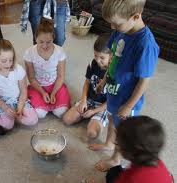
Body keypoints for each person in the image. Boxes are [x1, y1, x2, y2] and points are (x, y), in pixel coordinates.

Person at [92, 0, 160, 172]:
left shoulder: (145, 44)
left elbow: (144, 81)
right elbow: (113, 57)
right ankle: (108, 144)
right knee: (110, 119)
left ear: (135, 16)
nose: (113, 27)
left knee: (122, 132)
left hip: (127, 100)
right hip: (114, 91)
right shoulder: (121, 31)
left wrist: (129, 106)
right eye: (111, 23)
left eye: (116, 23)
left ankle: (116, 159)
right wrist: (104, 80)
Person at [86, 116, 174, 183]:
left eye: (118, 143)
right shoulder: (158, 162)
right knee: (115, 171)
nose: (116, 142)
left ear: (130, 153)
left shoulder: (132, 177)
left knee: (111, 175)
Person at [63, 34, 110, 140]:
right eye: (95, 56)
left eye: (102, 57)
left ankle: (95, 119)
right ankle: (88, 116)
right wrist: (83, 101)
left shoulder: (116, 74)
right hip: (89, 99)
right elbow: (87, 83)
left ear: (111, 57)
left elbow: (112, 101)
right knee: (67, 120)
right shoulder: (93, 64)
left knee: (92, 133)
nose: (97, 60)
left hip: (104, 106)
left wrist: (94, 111)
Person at [24, 18, 71, 119]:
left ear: (53, 39)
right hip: (38, 86)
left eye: (49, 42)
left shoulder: (60, 51)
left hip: (56, 85)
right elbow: (31, 78)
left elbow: (60, 76)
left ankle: (53, 102)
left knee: (61, 112)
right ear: (35, 38)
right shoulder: (29, 53)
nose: (45, 45)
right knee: (40, 114)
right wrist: (43, 92)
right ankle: (45, 103)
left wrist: (53, 93)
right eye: (41, 42)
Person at [0, 39, 38, 130]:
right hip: (4, 101)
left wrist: (21, 106)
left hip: (19, 99)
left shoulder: (18, 69)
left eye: (11, 60)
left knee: (33, 120)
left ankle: (14, 119)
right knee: (6, 126)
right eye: (4, 61)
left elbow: (23, 91)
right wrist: (5, 108)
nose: (8, 64)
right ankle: (4, 116)